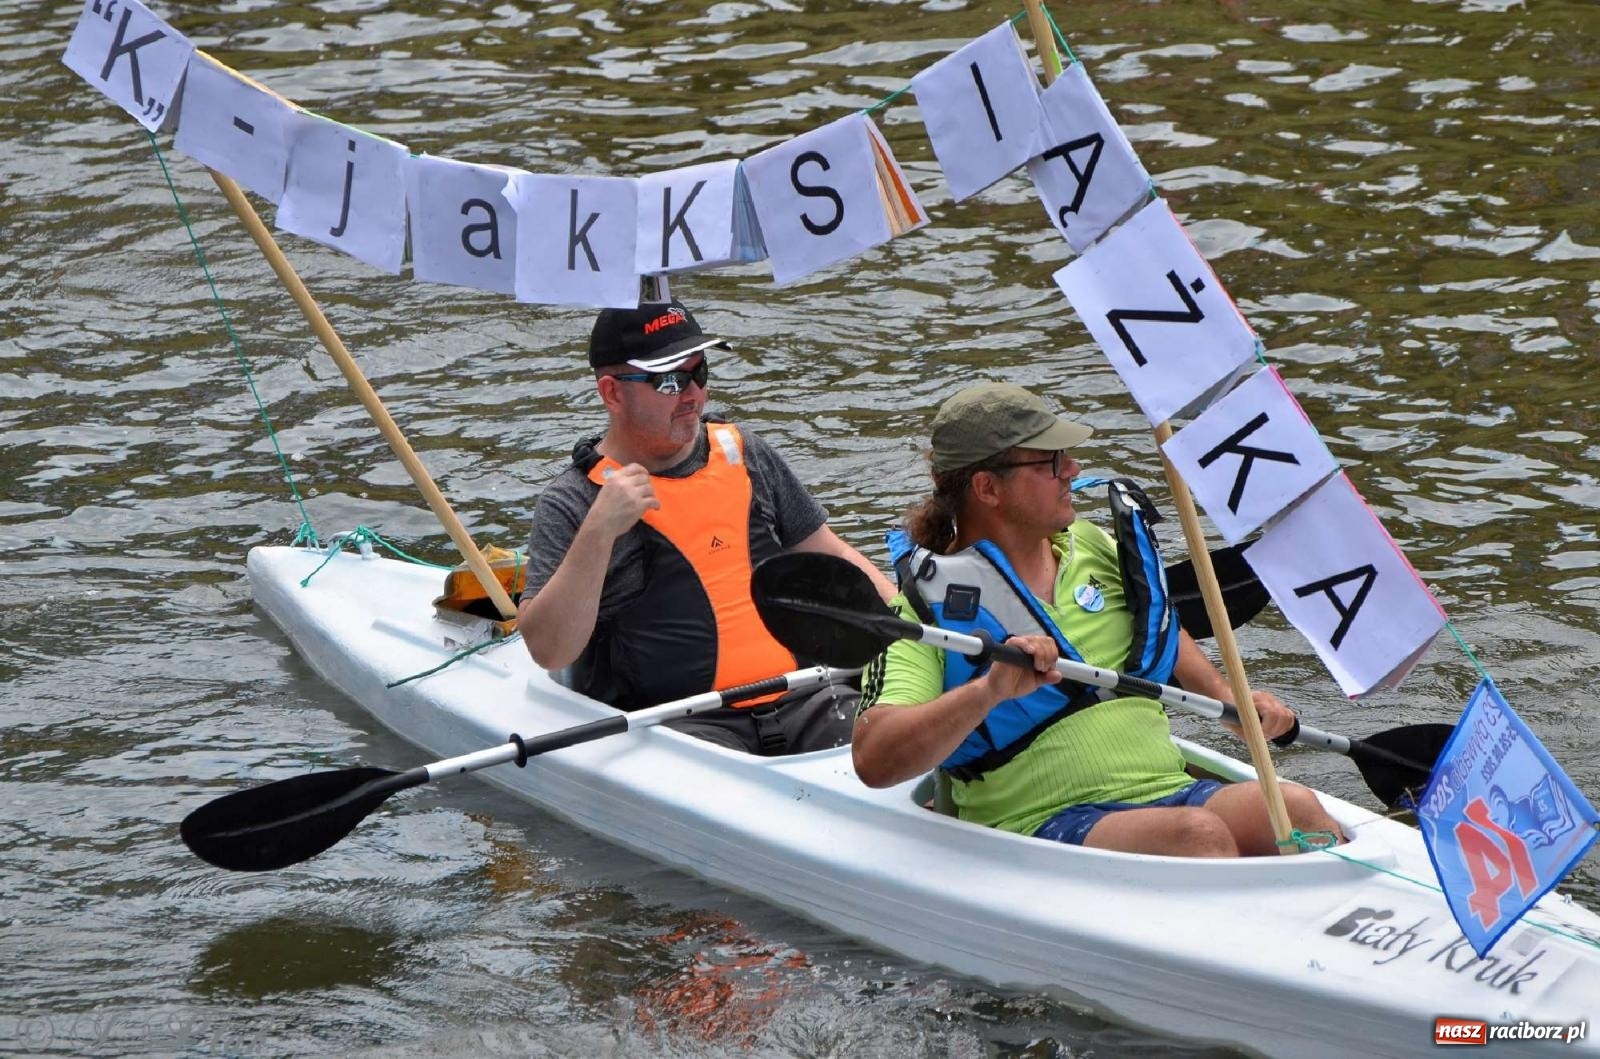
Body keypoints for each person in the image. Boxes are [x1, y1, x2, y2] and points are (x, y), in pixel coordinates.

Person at [852, 382, 1343, 857]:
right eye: (1050, 461)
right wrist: (990, 691)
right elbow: (874, 758)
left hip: (1165, 790)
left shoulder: (1094, 547)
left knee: (1296, 806)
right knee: (1196, 836)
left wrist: (1229, 700)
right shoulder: (924, 610)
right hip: (1037, 820)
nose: (1073, 469)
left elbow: (1162, 627)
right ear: (988, 487)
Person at [518, 297, 896, 755]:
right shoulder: (574, 500)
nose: (693, 395)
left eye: (700, 373)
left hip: (811, 698)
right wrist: (598, 532)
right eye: (670, 380)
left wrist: (911, 624)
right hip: (677, 728)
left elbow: (832, 554)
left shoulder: (748, 454)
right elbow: (550, 651)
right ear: (612, 393)